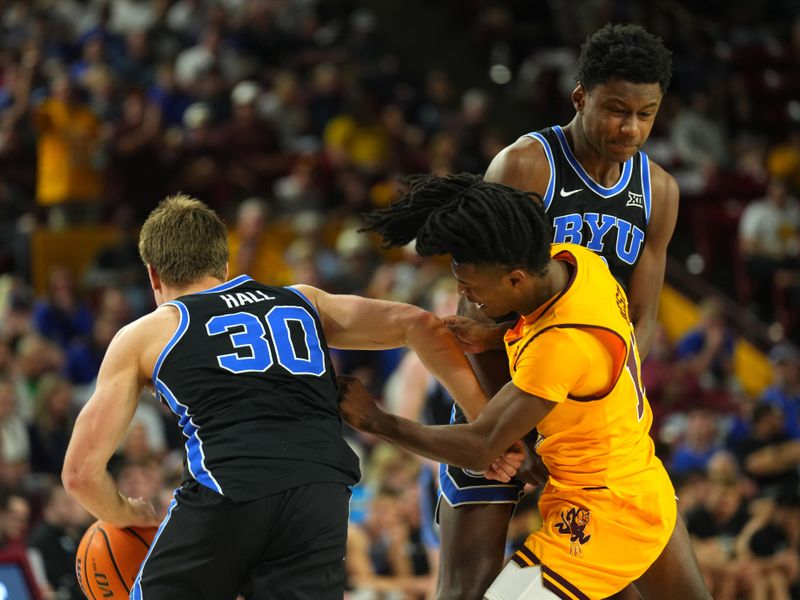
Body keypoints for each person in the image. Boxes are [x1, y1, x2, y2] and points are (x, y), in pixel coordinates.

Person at [61, 194, 511, 600]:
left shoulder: (146, 333)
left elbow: (80, 474)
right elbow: (420, 324)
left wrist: (127, 512)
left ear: (153, 274)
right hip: (321, 495)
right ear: (224, 260)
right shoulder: (302, 300)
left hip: (230, 490)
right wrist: (486, 431)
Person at [352, 173, 710, 599]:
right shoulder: (578, 263)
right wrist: (492, 335)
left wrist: (378, 421)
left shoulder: (561, 347)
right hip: (630, 477)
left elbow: (482, 445)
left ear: (516, 279)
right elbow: (542, 325)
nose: (464, 295)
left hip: (607, 508)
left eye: (471, 288)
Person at [422, 23, 680, 598]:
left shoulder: (658, 191)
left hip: (586, 424)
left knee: (615, 584)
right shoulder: (526, 167)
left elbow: (641, 321)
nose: (630, 127)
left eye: (646, 113)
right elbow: (477, 311)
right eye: (616, 110)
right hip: (498, 400)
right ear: (581, 98)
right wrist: (507, 432)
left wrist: (609, 422)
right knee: (466, 589)